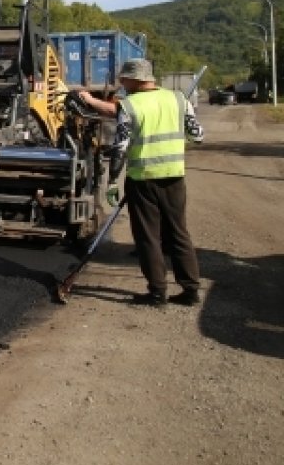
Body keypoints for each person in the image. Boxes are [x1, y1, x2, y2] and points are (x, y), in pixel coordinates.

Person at [77, 59, 204, 307]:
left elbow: (120, 148)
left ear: (135, 79)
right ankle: (191, 290)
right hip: (174, 178)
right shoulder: (179, 99)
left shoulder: (130, 106)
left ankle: (157, 293)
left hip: (143, 181)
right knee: (179, 233)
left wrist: (112, 180)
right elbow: (197, 136)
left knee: (148, 237)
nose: (122, 84)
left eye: (124, 80)